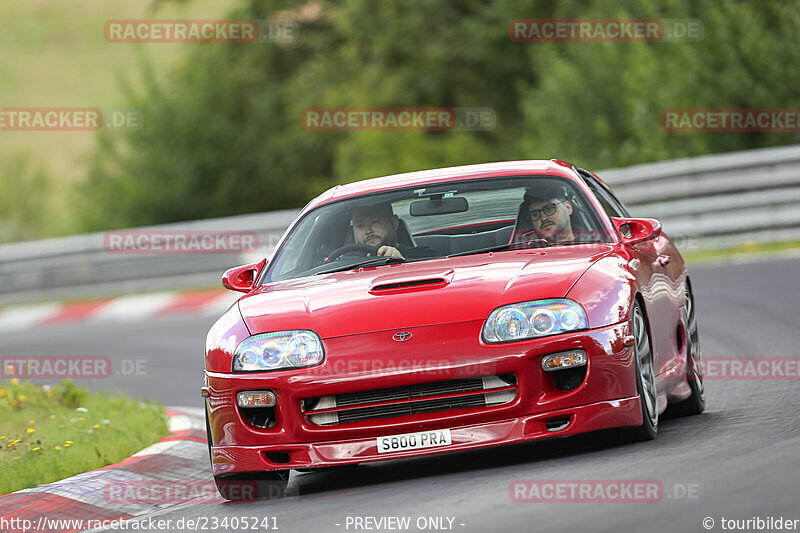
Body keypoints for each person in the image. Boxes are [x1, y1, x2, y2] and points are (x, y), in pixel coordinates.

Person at [351, 203, 438, 259]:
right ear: (354, 231)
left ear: (394, 222)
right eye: (360, 225)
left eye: (374, 222)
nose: (368, 230)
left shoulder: (423, 256)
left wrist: (401, 260)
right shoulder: (345, 266)